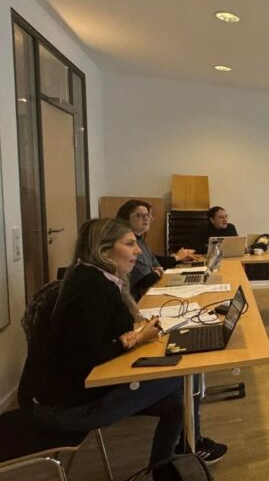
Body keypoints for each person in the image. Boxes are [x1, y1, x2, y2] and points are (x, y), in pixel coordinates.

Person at [19, 218, 185, 466]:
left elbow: (93, 339)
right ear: (103, 250)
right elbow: (87, 355)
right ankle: (176, 462)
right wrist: (137, 339)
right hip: (64, 411)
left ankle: (167, 467)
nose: (138, 251)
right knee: (180, 378)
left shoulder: (87, 277)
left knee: (173, 402)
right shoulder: (91, 288)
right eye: (129, 244)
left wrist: (128, 338)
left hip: (59, 400)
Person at [115, 199, 196, 300]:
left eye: (148, 215)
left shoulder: (141, 240)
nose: (146, 219)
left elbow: (156, 263)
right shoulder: (126, 244)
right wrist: (159, 269)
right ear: (125, 219)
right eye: (140, 215)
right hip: (135, 299)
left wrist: (175, 259)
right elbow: (148, 279)